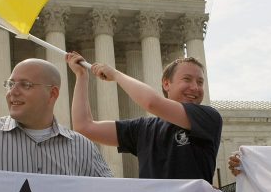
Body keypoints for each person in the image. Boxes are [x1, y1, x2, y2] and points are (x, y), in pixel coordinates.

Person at [65, 52, 222, 183]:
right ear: (166, 84)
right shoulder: (143, 128)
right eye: (187, 79)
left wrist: (116, 75)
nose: (195, 87)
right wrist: (81, 76)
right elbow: (84, 127)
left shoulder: (208, 117)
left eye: (200, 82)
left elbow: (151, 103)